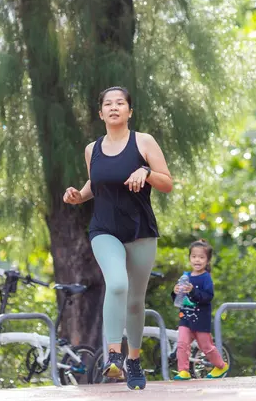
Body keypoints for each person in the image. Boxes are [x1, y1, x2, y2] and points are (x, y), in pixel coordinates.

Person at [63, 86, 173, 390]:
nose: (114, 107)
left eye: (120, 103)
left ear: (129, 111)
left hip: (140, 230)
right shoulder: (92, 149)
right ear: (100, 113)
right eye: (108, 104)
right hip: (104, 229)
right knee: (118, 284)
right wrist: (78, 196)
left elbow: (167, 183)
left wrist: (147, 173)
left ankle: (134, 360)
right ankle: (113, 356)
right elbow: (94, 184)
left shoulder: (143, 142)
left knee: (136, 301)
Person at [171, 239, 229, 380]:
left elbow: (208, 297)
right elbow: (178, 300)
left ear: (207, 261)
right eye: (194, 256)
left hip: (201, 320)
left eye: (202, 257)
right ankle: (183, 371)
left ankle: (221, 366)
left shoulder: (205, 278)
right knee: (182, 344)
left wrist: (192, 291)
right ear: (190, 258)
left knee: (206, 347)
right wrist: (175, 291)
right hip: (186, 319)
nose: (197, 260)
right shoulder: (186, 277)